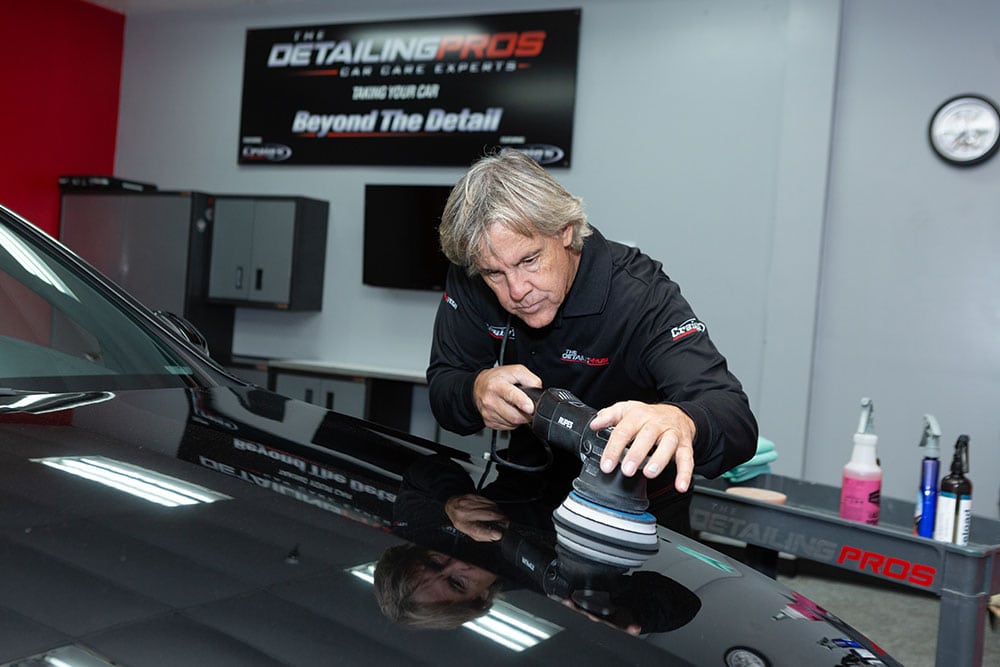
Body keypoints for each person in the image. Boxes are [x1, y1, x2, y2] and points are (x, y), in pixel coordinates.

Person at [426, 148, 758, 533]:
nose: (516, 290)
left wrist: (681, 419)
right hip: (522, 498)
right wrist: (474, 390)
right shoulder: (475, 271)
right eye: (494, 274)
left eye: (529, 261)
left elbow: (734, 417)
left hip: (639, 512)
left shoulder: (639, 294)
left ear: (565, 230)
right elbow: (443, 388)